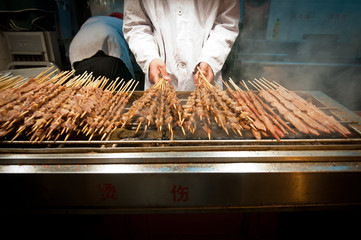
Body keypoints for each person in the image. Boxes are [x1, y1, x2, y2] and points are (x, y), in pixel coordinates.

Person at [123, 0, 240, 91]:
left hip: (206, 80)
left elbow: (226, 23)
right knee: (158, 121)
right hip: (159, 83)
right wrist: (150, 58)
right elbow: (136, 24)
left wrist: (211, 59)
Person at [69, 13, 135, 83]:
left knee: (86, 93)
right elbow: (133, 50)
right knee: (122, 91)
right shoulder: (122, 23)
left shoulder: (91, 21)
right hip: (110, 61)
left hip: (80, 62)